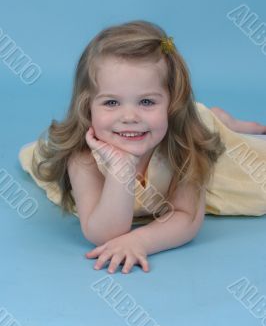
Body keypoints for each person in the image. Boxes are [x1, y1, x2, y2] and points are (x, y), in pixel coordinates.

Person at [18, 20, 266, 274]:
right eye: (112, 102)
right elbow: (103, 233)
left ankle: (223, 119)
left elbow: (187, 216)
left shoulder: (184, 144)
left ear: (172, 105)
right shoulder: (83, 157)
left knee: (210, 125)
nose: (130, 117)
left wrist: (140, 241)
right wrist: (121, 170)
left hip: (195, 125)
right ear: (87, 106)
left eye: (146, 101)